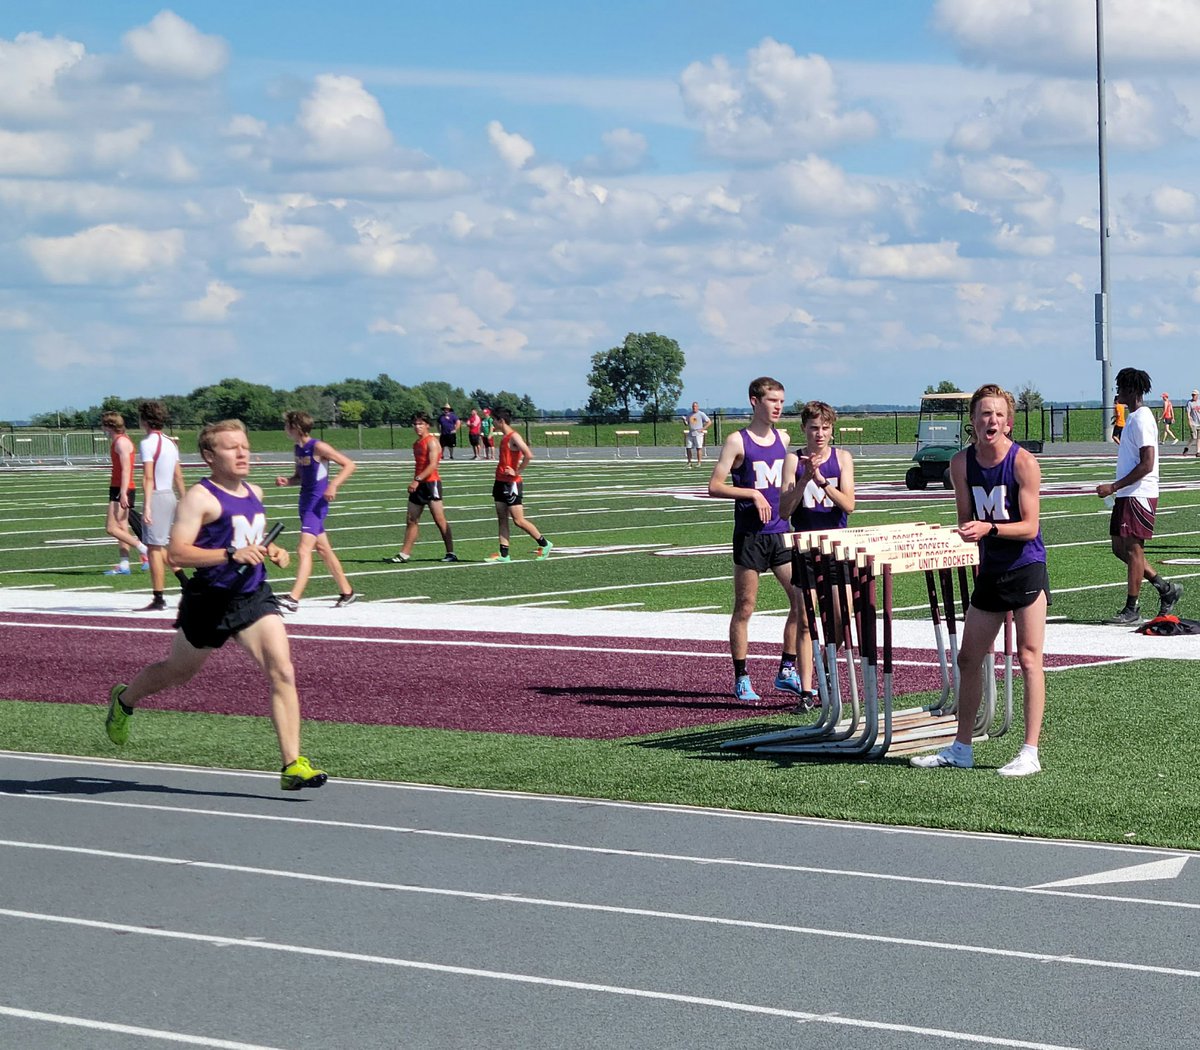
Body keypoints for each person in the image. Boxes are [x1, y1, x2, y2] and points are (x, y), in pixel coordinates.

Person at [105, 419, 328, 791]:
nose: (243, 453)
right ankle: (125, 699)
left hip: (252, 596)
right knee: (178, 672)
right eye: (231, 448)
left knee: (283, 671)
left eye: (245, 446)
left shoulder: (255, 491)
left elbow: (248, 538)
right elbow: (177, 552)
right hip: (208, 600)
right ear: (209, 456)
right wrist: (230, 553)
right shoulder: (199, 497)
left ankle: (292, 765)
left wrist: (270, 549)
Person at [911, 384, 1048, 777]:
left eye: (998, 414)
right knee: (969, 658)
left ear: (1009, 422)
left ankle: (1029, 751)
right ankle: (961, 747)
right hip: (990, 569)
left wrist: (988, 529)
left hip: (1025, 565)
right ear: (972, 420)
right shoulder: (960, 464)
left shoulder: (1022, 463)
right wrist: (963, 533)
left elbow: (1029, 526)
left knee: (1028, 657)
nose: (992, 420)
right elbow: (964, 517)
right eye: (984, 413)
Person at [707, 376, 799, 703]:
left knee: (803, 602)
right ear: (754, 401)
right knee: (745, 606)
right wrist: (752, 494)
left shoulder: (785, 438)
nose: (778, 407)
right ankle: (741, 676)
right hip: (750, 536)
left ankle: (787, 668)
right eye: (772, 400)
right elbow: (715, 486)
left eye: (781, 401)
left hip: (780, 534)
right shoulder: (737, 441)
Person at [779, 400, 856, 710]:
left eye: (825, 428)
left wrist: (822, 480)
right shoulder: (792, 460)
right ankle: (807, 692)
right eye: (814, 428)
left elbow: (849, 505)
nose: (819, 433)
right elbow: (784, 509)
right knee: (806, 619)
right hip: (805, 547)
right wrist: (804, 479)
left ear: (832, 430)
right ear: (804, 429)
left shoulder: (843, 458)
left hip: (837, 544)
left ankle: (826, 663)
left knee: (842, 614)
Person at [1095, 368, 1183, 625]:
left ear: (1132, 390)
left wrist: (1113, 486)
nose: (1118, 392)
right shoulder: (1134, 418)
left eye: (1120, 388)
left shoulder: (1143, 418)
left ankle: (1132, 608)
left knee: (1133, 550)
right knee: (1119, 547)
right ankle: (1165, 588)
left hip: (1138, 493)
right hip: (1128, 493)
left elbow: (1147, 463)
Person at [274, 410, 358, 610]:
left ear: (295, 427)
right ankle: (347, 592)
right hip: (304, 502)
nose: (285, 429)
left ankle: (293, 598)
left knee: (304, 549)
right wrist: (287, 481)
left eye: (287, 425)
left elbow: (349, 464)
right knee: (323, 549)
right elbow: (300, 477)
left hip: (317, 504)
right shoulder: (298, 449)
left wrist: (334, 485)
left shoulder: (318, 446)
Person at [388, 412, 458, 564]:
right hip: (419, 485)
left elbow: (433, 465)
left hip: (431, 484)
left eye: (420, 423)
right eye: (415, 424)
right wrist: (417, 481)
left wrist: (417, 480)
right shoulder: (417, 443)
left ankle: (451, 552)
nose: (417, 427)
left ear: (427, 425)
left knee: (439, 520)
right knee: (411, 520)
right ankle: (404, 554)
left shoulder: (431, 441)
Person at [137, 401, 187, 611]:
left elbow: (148, 477)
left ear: (146, 420)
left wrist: (147, 506)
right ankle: (185, 582)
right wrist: (184, 499)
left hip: (157, 496)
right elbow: (178, 475)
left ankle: (159, 597)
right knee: (163, 546)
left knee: (154, 549)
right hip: (171, 496)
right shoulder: (170, 442)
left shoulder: (147, 443)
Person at [487, 407, 553, 563]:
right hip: (500, 482)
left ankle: (544, 544)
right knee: (502, 519)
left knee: (518, 520)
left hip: (511, 484)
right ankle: (504, 555)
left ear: (501, 421)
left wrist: (516, 471)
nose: (492, 423)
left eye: (494, 420)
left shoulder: (513, 436)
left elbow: (528, 454)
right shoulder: (504, 437)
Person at [100, 411, 149, 576]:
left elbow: (127, 468)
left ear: (109, 426)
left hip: (122, 488)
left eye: (103, 425)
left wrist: (123, 492)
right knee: (122, 527)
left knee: (111, 528)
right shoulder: (119, 440)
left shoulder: (121, 442)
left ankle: (144, 549)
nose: (102, 428)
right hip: (119, 487)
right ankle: (124, 564)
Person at [681, 401, 712, 467]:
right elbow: (686, 424)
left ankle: (699, 462)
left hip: (698, 433)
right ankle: (689, 462)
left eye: (695, 406)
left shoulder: (701, 414)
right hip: (691, 432)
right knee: (688, 447)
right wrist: (684, 420)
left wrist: (703, 429)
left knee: (698, 447)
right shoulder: (689, 414)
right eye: (693, 407)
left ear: (697, 407)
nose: (694, 408)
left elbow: (709, 422)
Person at [1186, 389, 1200, 456]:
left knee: (1199, 438)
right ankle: (1187, 447)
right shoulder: (1189, 403)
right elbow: (1188, 413)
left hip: (1199, 422)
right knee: (1194, 437)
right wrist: (1189, 421)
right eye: (1192, 395)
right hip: (1193, 422)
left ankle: (1198, 451)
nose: (1193, 396)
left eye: (1194, 395)